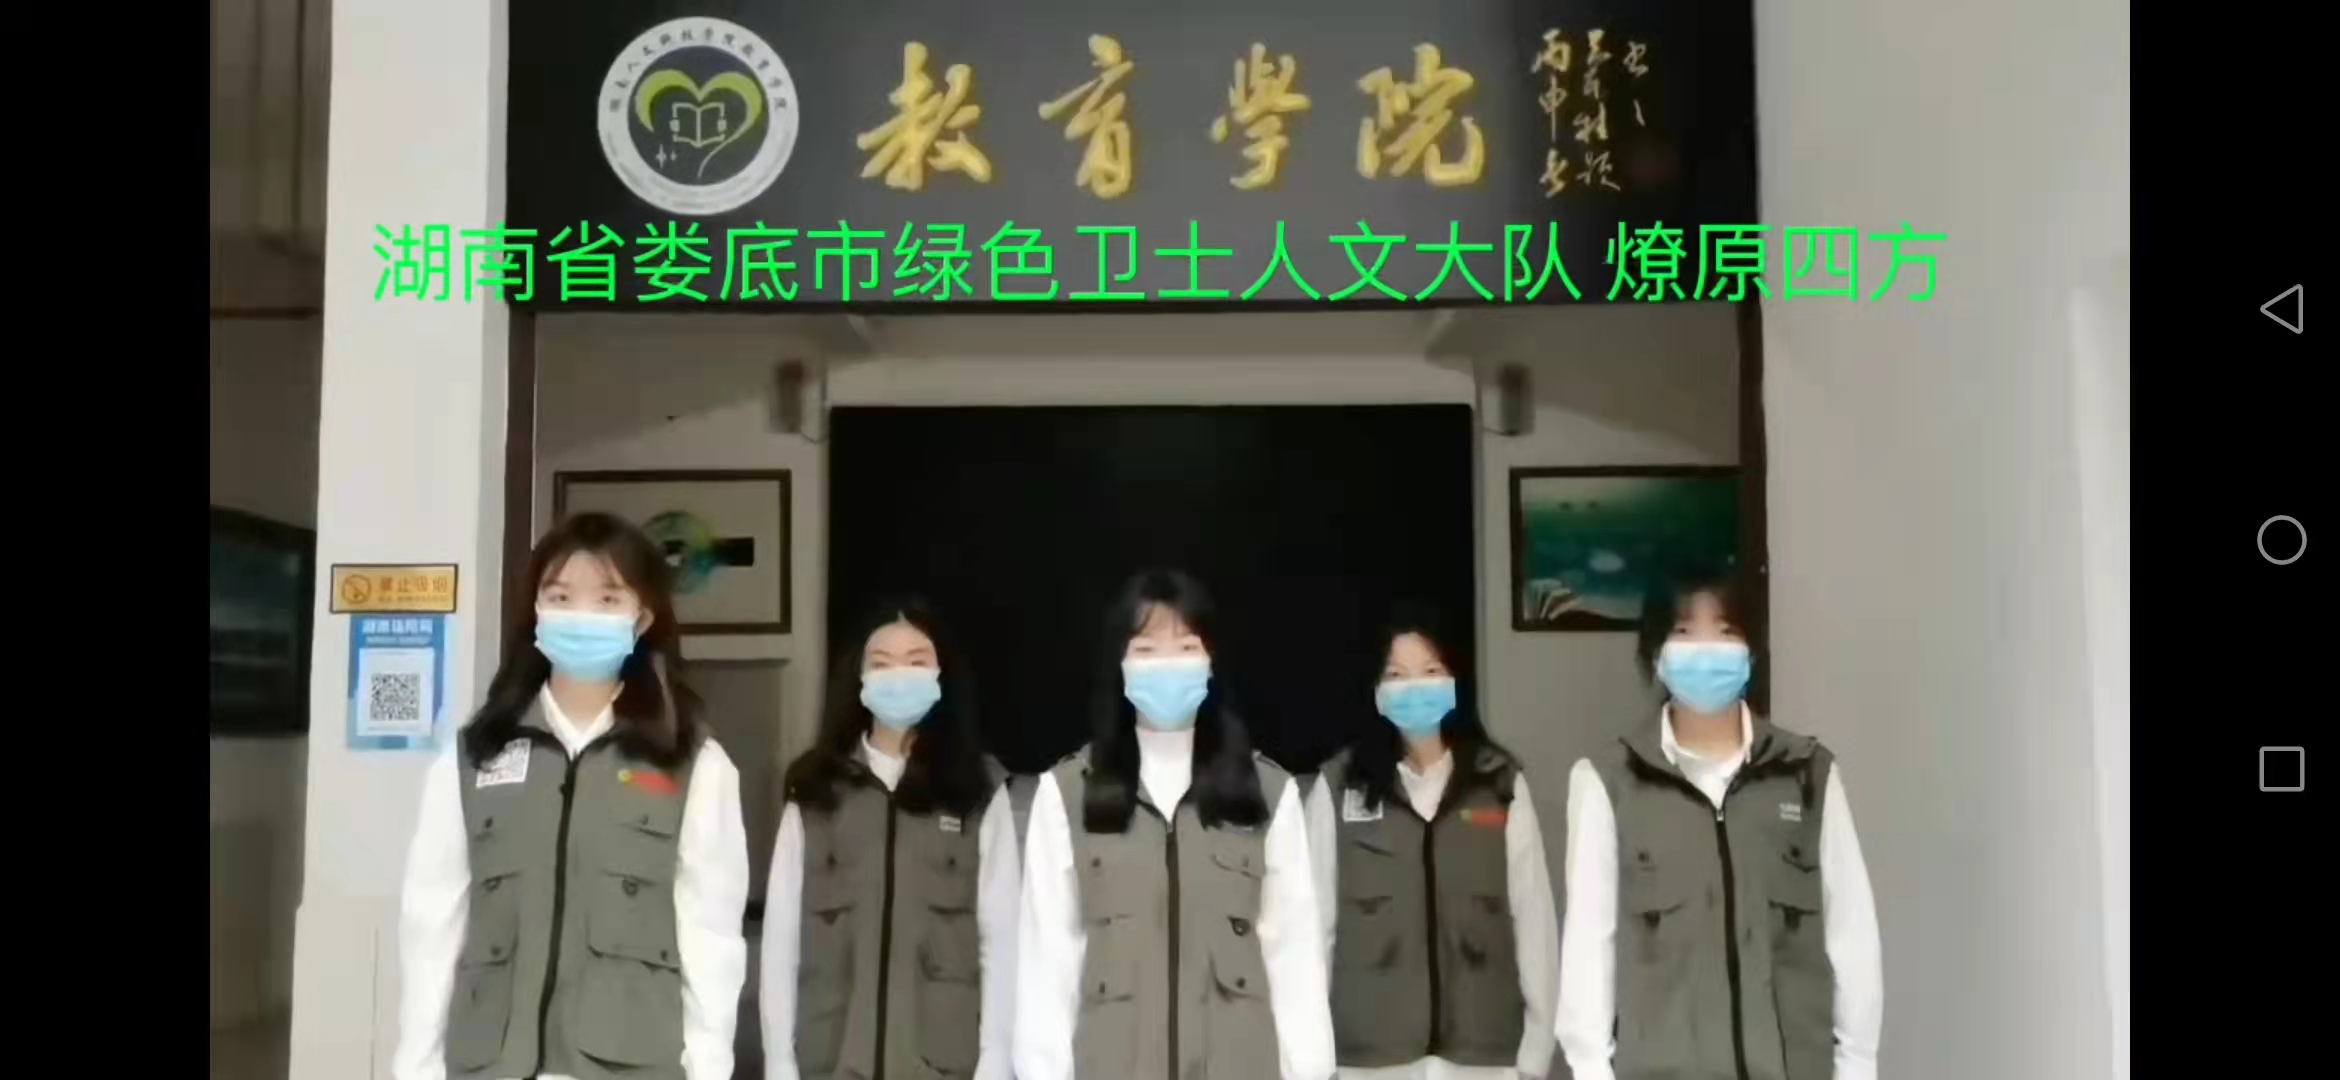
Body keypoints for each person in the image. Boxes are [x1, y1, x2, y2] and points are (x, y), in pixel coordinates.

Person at [392, 512, 749, 1080]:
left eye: (607, 599)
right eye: (560, 596)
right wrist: (417, 1067)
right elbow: (430, 927)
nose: (581, 614)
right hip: (492, 1065)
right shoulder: (471, 758)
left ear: (641, 619)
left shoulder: (695, 765)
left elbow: (712, 941)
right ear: (536, 610)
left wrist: (708, 1070)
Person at [1552, 566, 1882, 1080]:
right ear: (1656, 655)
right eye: (1684, 632)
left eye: (1725, 631)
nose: (1705, 650)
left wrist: (1856, 1068)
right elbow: (1590, 952)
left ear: (1752, 653)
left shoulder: (1808, 775)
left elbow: (1852, 940)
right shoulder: (1608, 783)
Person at [1013, 569, 1335, 1080]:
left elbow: (1293, 956)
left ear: (1211, 662)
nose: (1167, 665)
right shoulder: (1068, 794)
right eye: (1146, 649)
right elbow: (1047, 965)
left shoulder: (1268, 794)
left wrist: (1311, 1070)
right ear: (1119, 665)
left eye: (1186, 647)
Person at [762, 597, 1019, 1080]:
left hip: (944, 1064)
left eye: (916, 661)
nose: (898, 675)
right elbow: (781, 941)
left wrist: (995, 1063)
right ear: (858, 680)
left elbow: (1001, 942)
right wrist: (779, 1061)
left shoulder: (978, 792)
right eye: (881, 663)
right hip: (832, 1062)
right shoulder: (816, 791)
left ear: (942, 676)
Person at [1304, 606, 1558, 1080]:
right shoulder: (1336, 789)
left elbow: (1533, 919)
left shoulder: (1499, 784)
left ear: (1456, 680)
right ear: (1375, 690)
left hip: (1485, 1056)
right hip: (1367, 1061)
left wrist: (1537, 1051)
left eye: (1430, 670)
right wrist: (1310, 1060)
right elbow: (1314, 929)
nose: (1414, 687)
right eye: (1396, 675)